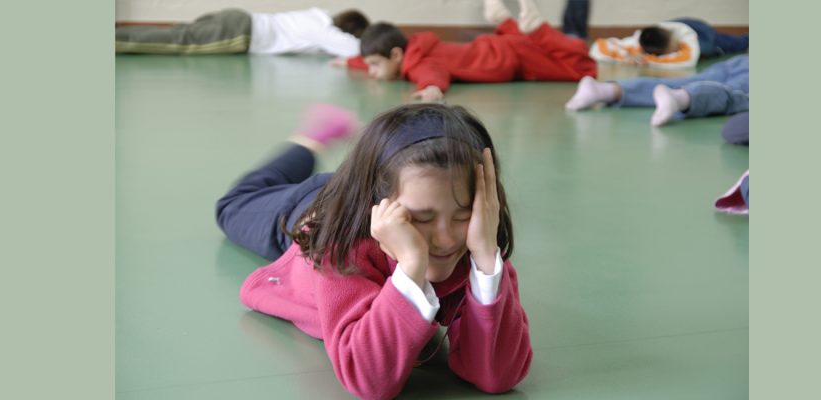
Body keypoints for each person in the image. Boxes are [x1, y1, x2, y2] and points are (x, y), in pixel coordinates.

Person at [216, 103, 532, 399]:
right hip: (314, 209)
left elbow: (498, 376)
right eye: (421, 218)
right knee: (231, 206)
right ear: (378, 207)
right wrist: (411, 265)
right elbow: (369, 380)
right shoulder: (341, 246)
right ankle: (308, 143)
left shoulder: (478, 241)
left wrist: (486, 259)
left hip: (366, 186)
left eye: (463, 215)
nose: (446, 238)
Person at [342, 0, 596, 102]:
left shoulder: (417, 64)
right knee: (547, 53)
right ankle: (506, 22)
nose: (372, 71)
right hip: (498, 48)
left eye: (373, 65)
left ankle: (538, 30)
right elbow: (381, 59)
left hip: (507, 60)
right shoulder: (414, 48)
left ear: (396, 55)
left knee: (582, 68)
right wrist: (351, 62)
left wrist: (432, 88)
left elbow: (432, 73)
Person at [565, 54, 749, 126]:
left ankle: (606, 90)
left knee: (691, 80)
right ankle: (681, 98)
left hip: (743, 60)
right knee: (736, 94)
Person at [116, 8, 369, 57]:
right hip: (240, 32)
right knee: (177, 42)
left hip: (237, 18)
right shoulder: (323, 29)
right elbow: (355, 50)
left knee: (176, 33)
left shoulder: (316, 15)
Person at [589, 17, 749, 69]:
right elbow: (599, 47)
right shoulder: (639, 40)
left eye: (671, 50)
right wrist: (626, 55)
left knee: (736, 44)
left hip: (703, 33)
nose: (673, 52)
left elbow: (687, 61)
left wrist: (648, 60)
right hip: (672, 26)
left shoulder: (686, 37)